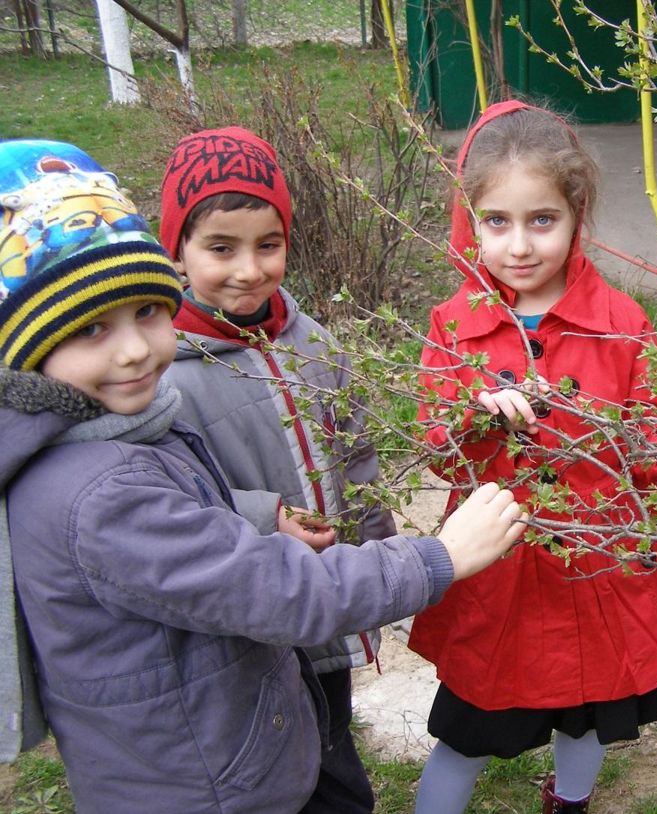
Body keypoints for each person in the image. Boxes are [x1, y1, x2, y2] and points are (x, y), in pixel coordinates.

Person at [0, 138, 526, 814]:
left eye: (146, 313)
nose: (132, 350)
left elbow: (185, 536)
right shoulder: (100, 488)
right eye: (90, 329)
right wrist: (438, 558)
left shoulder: (114, 427)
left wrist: (254, 517)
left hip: (226, 726)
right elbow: (269, 589)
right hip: (207, 780)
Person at [408, 100, 657, 814]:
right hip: (502, 570)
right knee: (467, 729)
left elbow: (644, 445)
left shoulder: (622, 322)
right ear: (472, 222)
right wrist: (474, 415)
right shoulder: (454, 325)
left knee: (592, 707)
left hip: (603, 565)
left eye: (540, 221)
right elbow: (437, 446)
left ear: (575, 211)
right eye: (497, 223)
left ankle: (569, 801)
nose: (518, 246)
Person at [157, 125, 393, 813]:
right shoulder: (162, 371)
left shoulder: (312, 341)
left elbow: (356, 454)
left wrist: (375, 544)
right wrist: (263, 518)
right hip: (244, 620)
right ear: (176, 251)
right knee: (276, 763)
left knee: (331, 744)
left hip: (324, 597)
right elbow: (164, 493)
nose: (249, 269)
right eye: (220, 248)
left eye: (269, 244)